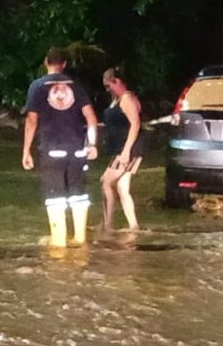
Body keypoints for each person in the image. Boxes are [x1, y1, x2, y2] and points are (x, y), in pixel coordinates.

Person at [22, 48, 99, 248]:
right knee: (78, 195)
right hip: (77, 150)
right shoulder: (77, 86)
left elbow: (31, 121)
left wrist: (26, 151)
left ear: (46, 62)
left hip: (51, 150)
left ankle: (59, 242)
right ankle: (80, 240)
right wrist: (92, 144)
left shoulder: (37, 87)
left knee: (55, 197)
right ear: (64, 64)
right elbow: (91, 118)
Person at [100, 67, 143, 232]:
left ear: (117, 81)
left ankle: (107, 225)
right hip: (121, 147)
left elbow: (135, 124)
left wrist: (126, 152)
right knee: (122, 188)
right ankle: (134, 226)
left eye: (108, 85)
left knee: (106, 181)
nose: (107, 89)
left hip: (129, 148)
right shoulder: (117, 99)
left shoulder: (127, 99)